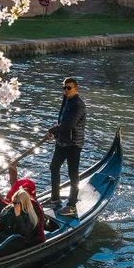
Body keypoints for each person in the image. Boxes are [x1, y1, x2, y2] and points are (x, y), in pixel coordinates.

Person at [48, 76, 87, 216]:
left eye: (69, 88)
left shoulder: (78, 104)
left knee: (73, 173)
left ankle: (71, 206)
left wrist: (53, 130)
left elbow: (69, 124)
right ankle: (55, 198)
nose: (66, 90)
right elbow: (62, 121)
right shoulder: (66, 100)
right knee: (54, 167)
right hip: (62, 142)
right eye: (64, 88)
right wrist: (56, 134)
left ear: (76, 88)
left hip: (74, 144)